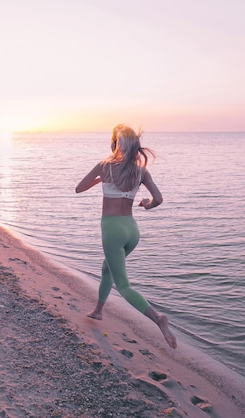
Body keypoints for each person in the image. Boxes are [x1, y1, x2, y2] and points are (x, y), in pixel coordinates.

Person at [75, 124, 177, 349]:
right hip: (132, 230)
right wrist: (147, 205)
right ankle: (99, 311)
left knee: (123, 285)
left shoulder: (105, 166)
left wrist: (101, 178)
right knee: (107, 269)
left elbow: (79, 188)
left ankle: (158, 319)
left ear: (115, 143)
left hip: (112, 230)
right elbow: (158, 199)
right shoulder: (140, 171)